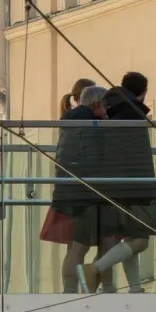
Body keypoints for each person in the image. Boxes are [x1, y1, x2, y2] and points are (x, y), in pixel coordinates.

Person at [86, 72, 156, 293]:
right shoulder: (133, 114)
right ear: (143, 93)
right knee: (140, 240)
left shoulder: (112, 111)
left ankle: (135, 288)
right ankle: (95, 268)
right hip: (136, 186)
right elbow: (137, 156)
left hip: (115, 185)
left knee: (130, 238)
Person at [51, 84, 109, 293]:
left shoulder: (70, 120)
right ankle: (72, 291)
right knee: (80, 246)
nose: (107, 112)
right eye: (106, 106)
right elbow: (95, 158)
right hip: (85, 192)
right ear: (97, 104)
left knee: (74, 246)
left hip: (67, 190)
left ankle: (69, 289)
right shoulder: (90, 124)